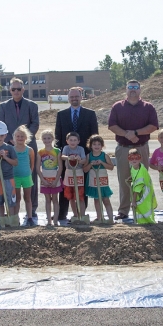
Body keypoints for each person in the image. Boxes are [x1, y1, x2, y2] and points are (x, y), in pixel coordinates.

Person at [107, 79, 158, 220]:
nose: (133, 89)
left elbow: (153, 126)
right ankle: (123, 211)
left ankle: (142, 208)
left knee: (140, 180)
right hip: (123, 149)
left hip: (141, 148)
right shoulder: (117, 107)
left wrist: (135, 133)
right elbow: (112, 125)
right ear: (126, 90)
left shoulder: (148, 107)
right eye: (130, 87)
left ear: (140, 90)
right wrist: (127, 135)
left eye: (135, 87)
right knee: (124, 180)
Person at [0, 78, 41, 224]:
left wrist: (24, 138)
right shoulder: (3, 106)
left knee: (30, 177)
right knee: (11, 178)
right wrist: (11, 140)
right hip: (10, 145)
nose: (16, 91)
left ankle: (31, 210)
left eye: (18, 89)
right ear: (10, 90)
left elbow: (35, 123)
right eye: (13, 89)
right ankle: (13, 211)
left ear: (23, 90)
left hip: (27, 145)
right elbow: (0, 124)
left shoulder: (32, 105)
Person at [54, 86, 98, 222]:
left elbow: (94, 135)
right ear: (68, 98)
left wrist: (90, 155)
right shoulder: (61, 115)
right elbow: (58, 137)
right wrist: (60, 156)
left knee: (81, 186)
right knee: (65, 185)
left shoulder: (90, 114)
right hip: (67, 159)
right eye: (72, 97)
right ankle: (62, 214)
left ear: (81, 97)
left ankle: (81, 214)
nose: (74, 99)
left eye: (76, 96)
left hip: (83, 157)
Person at [84, 134, 114, 223]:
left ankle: (111, 218)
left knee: (106, 199)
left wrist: (102, 163)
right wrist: (91, 164)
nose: (96, 146)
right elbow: (85, 169)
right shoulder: (89, 156)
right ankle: (99, 218)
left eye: (98, 144)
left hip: (103, 181)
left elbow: (111, 167)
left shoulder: (105, 156)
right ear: (91, 145)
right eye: (94, 144)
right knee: (97, 200)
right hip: (93, 180)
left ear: (102, 145)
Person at [11, 125, 36, 226]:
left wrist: (29, 172)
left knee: (28, 198)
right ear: (14, 137)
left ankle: (29, 217)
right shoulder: (12, 149)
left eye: (22, 136)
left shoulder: (29, 150)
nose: (20, 138)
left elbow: (32, 162)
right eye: (18, 136)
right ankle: (15, 217)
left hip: (26, 177)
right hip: (15, 177)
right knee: (17, 198)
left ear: (26, 138)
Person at [37, 129, 62, 226]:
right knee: (47, 200)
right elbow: (38, 168)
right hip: (45, 178)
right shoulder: (40, 152)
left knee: (55, 199)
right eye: (44, 138)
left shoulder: (57, 151)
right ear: (42, 139)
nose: (47, 140)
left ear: (52, 138)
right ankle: (49, 221)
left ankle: (55, 220)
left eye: (49, 138)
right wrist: (42, 180)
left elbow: (60, 167)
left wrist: (56, 180)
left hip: (55, 177)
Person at [61, 131, 86, 221]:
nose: (73, 142)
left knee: (80, 196)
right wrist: (68, 157)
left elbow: (84, 160)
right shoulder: (66, 148)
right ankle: (75, 215)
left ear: (78, 141)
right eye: (71, 140)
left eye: (75, 140)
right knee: (71, 196)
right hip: (69, 173)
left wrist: (79, 159)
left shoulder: (80, 149)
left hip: (79, 172)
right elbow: (62, 156)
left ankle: (82, 215)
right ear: (67, 141)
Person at [128, 149, 156, 225]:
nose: (134, 160)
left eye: (136, 158)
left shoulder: (141, 171)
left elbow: (137, 188)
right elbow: (135, 175)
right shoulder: (133, 167)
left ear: (140, 158)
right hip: (141, 193)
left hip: (144, 194)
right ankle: (142, 223)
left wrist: (133, 201)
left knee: (144, 209)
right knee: (140, 210)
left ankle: (149, 223)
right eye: (131, 158)